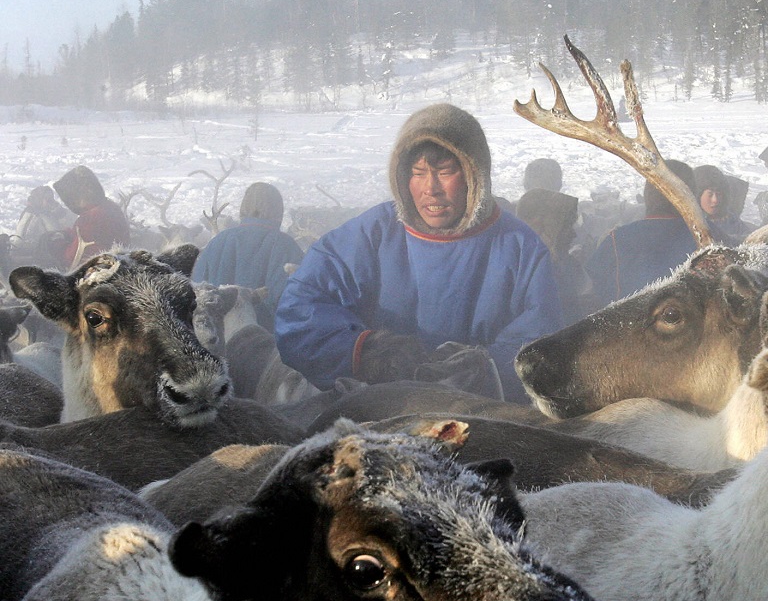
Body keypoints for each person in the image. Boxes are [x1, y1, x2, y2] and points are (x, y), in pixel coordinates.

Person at [275, 103, 562, 403]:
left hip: (482, 417)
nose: (430, 188)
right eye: (418, 173)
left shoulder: (520, 247)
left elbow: (543, 338)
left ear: (474, 174)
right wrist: (364, 350)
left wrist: (487, 369)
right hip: (375, 414)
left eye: (445, 171)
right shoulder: (371, 236)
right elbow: (299, 310)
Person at [584, 160, 702, 307]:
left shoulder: (617, 239)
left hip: (626, 326)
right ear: (689, 195)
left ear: (649, 194)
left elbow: (591, 285)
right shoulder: (707, 238)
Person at [191, 182, 305, 332]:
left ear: (243, 208)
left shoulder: (217, 242)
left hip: (215, 343)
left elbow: (196, 292)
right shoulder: (286, 246)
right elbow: (294, 304)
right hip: (264, 345)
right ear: (278, 211)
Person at [516, 160, 591, 323]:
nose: (571, 234)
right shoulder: (549, 264)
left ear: (525, 183)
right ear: (559, 183)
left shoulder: (506, 223)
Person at [49, 165, 131, 269]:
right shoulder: (109, 207)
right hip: (115, 267)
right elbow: (86, 236)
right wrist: (68, 233)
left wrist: (56, 244)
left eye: (70, 197)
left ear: (80, 195)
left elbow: (72, 259)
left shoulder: (91, 219)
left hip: (93, 275)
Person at [13, 186, 74, 266]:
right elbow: (21, 240)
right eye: (47, 198)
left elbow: (73, 224)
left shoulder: (52, 212)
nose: (50, 201)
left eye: (51, 198)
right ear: (39, 199)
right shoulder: (32, 215)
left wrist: (60, 212)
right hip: (40, 257)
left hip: (57, 251)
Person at [694, 165, 752, 242]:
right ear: (698, 196)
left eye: (718, 194)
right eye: (710, 194)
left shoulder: (731, 220)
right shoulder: (687, 223)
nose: (715, 200)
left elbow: (749, 239)